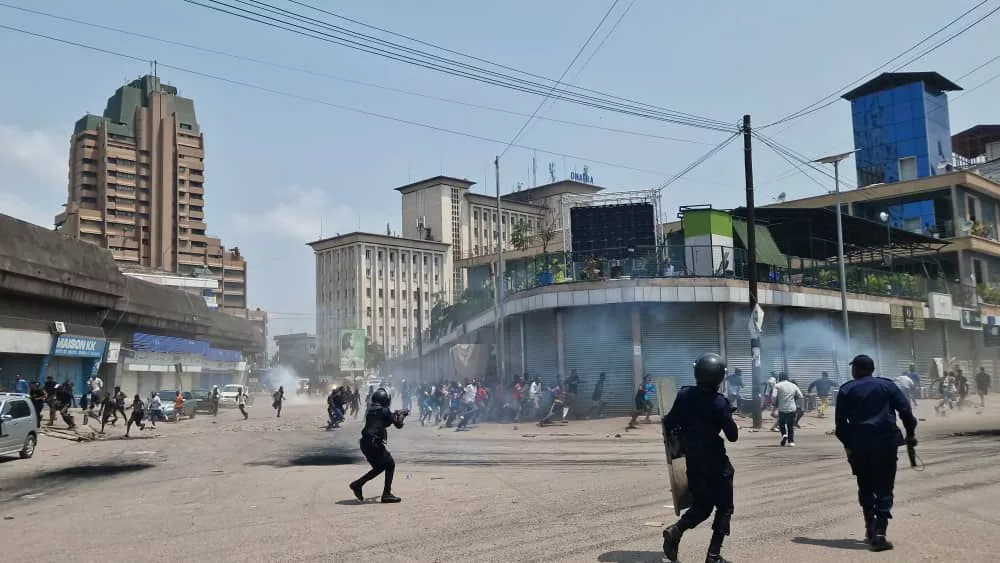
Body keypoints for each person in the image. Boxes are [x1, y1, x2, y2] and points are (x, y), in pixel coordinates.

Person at [835, 354, 917, 552]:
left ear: (855, 370)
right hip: (886, 443)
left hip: (859, 446)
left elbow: (840, 426)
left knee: (865, 485)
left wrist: (849, 444)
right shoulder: (887, 386)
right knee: (884, 486)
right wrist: (910, 434)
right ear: (871, 369)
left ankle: (869, 528)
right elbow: (906, 411)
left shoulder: (846, 389)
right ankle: (880, 533)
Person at [661, 353, 738, 563]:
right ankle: (713, 556)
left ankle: (676, 530)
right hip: (716, 463)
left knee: (703, 506)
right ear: (720, 378)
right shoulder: (719, 403)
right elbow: (733, 436)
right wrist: (727, 416)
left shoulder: (685, 394)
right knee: (724, 507)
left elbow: (668, 423)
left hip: (692, 461)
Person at [349, 388, 408, 503]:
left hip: (366, 443)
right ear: (385, 400)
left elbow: (383, 422)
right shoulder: (384, 411)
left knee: (380, 467)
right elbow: (398, 424)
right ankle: (386, 494)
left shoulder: (371, 410)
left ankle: (358, 484)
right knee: (390, 464)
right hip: (373, 443)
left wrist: (396, 414)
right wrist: (402, 415)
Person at [772, 373, 802, 446]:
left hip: (782, 408)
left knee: (782, 424)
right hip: (792, 408)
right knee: (790, 425)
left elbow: (773, 396)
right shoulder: (793, 385)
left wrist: (774, 402)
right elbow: (800, 395)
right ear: (788, 378)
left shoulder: (777, 385)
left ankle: (784, 435)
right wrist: (793, 399)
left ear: (780, 378)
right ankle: (791, 441)